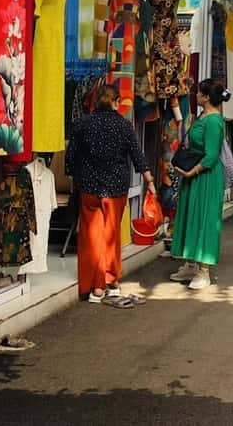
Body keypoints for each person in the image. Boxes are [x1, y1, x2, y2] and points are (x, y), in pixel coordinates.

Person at [66, 86, 155, 306]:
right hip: (115, 188)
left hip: (89, 187)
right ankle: (110, 281)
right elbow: (137, 155)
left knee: (90, 236)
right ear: (115, 102)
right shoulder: (123, 126)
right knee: (110, 234)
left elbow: (71, 157)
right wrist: (150, 181)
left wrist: (78, 176)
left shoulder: (83, 124)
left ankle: (93, 286)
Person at [169, 79, 228, 290]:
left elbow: (211, 155)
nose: (195, 95)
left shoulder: (213, 121)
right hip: (195, 175)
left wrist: (190, 172)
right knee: (189, 216)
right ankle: (191, 264)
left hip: (205, 177)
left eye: (199, 93)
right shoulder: (203, 115)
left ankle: (204, 271)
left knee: (204, 219)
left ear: (206, 97)